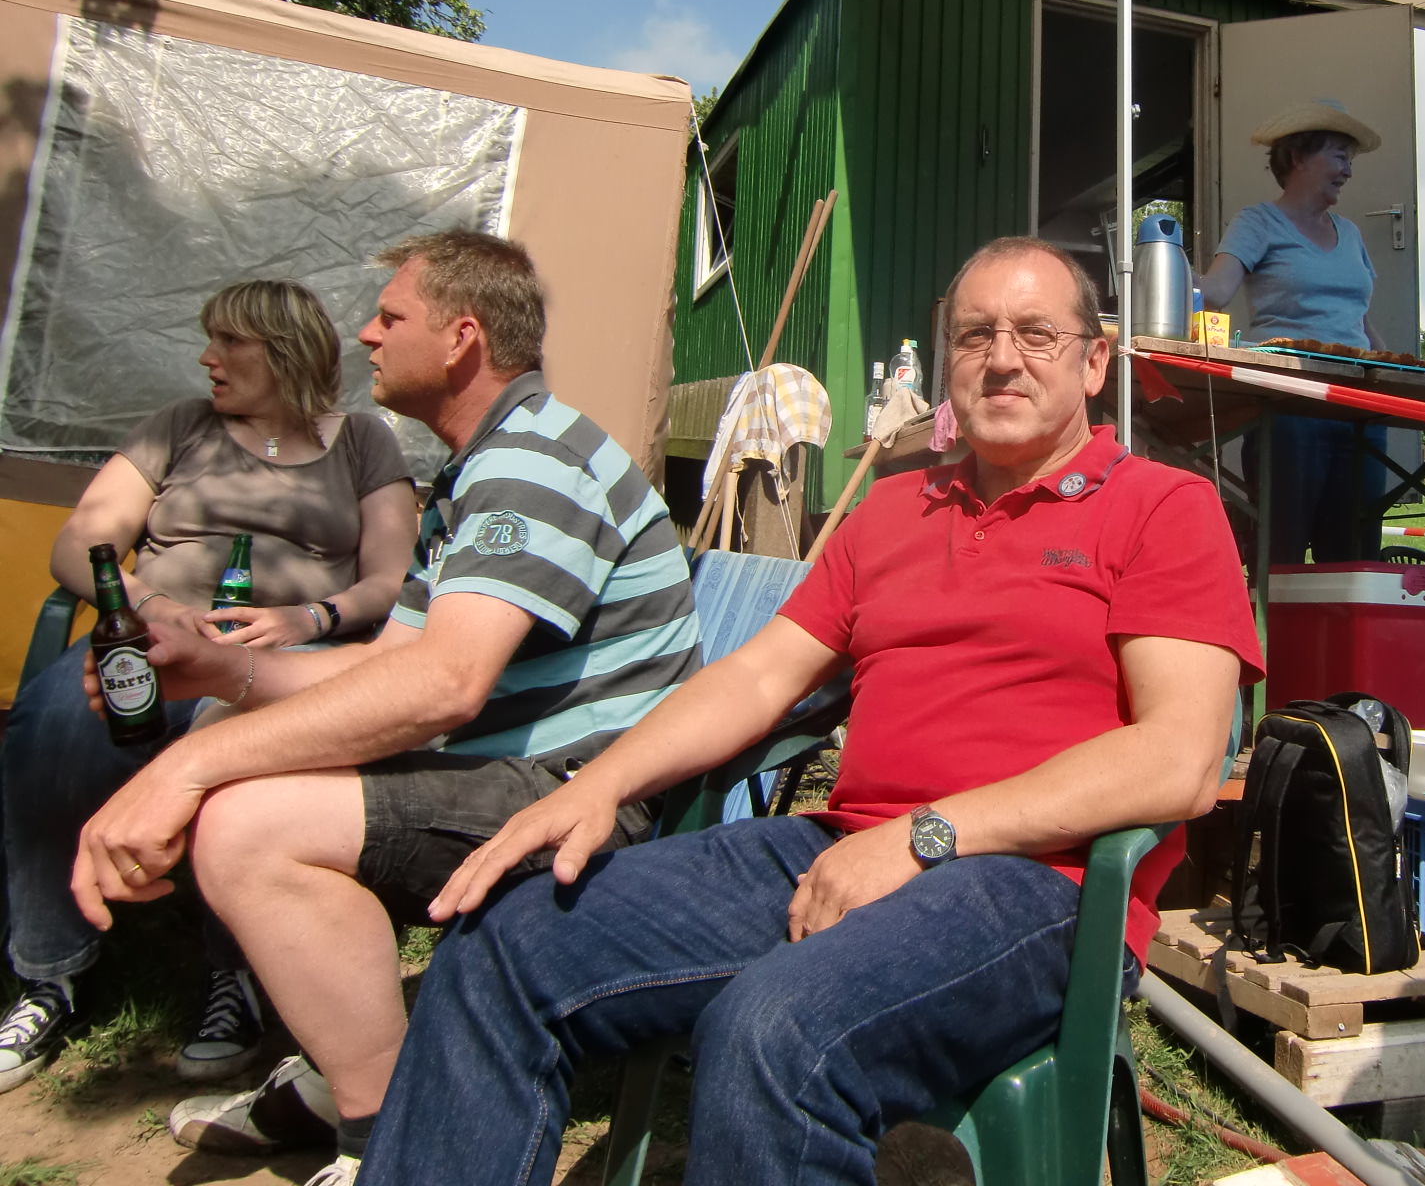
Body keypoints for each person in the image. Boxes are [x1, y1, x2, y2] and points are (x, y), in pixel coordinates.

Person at [355, 236, 1262, 1186]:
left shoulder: (1161, 508)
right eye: (975, 335)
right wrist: (599, 784)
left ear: (1094, 361)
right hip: (842, 847)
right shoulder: (891, 512)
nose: (1002, 359)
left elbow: (1177, 759)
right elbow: (756, 679)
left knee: (776, 1031)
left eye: (1037, 334)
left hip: (1039, 885)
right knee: (504, 942)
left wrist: (926, 836)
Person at [66, 230, 699, 1186]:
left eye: (390, 316)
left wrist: (185, 770)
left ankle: (384, 1128)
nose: (364, 333)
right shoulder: (481, 467)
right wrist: (222, 673)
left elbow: (444, 685)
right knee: (233, 742)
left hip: (583, 798)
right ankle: (352, 1072)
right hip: (509, 771)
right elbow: (389, 666)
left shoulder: (533, 463)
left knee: (244, 823)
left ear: (461, 338)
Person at [0, 280, 416, 1093]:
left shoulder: (363, 442)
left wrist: (312, 616)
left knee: (242, 755)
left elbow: (389, 579)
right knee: (51, 723)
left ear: (283, 350)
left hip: (283, 657)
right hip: (154, 645)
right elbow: (78, 545)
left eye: (229, 342)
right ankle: (49, 974)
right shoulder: (179, 427)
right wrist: (155, 608)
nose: (207, 358)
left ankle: (237, 974)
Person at [1195, 99, 1391, 563]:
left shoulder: (1351, 234)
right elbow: (1216, 291)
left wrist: (1392, 374)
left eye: (1350, 159)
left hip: (1358, 406)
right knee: (1280, 547)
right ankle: (1274, 614)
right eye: (1339, 156)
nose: (1348, 171)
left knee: (1355, 554)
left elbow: (1360, 319)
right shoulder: (1257, 222)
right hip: (1288, 403)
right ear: (1300, 156)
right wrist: (1156, 267)